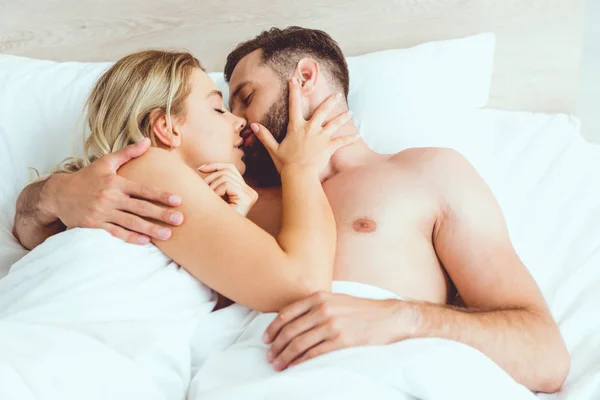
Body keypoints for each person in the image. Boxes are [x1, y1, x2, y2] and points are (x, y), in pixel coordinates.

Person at [13, 29, 570, 393]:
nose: (239, 126)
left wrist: (401, 319)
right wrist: (53, 192)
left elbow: (545, 355)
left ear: (304, 78)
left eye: (246, 98)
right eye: (223, 107)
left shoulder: (426, 174)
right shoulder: (229, 192)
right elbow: (82, 247)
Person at [13, 49, 356, 313]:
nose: (239, 122)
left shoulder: (145, 187)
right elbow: (305, 287)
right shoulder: (147, 166)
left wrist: (233, 219)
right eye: (218, 109)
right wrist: (300, 168)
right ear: (167, 127)